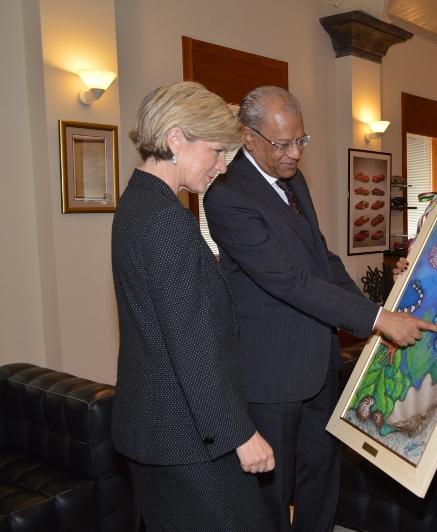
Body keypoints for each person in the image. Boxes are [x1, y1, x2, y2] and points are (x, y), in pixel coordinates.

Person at [203, 85, 437, 532]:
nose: (295, 153)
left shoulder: (294, 180)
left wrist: (374, 310)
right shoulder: (226, 196)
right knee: (271, 495)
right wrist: (379, 320)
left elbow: (321, 259)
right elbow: (288, 281)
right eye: (283, 144)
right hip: (271, 373)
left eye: (301, 140)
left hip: (318, 362)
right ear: (249, 137)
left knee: (322, 479)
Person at [111, 81, 273, 531]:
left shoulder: (137, 203)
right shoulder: (166, 221)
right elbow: (190, 346)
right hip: (185, 438)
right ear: (176, 139)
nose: (222, 168)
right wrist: (241, 434)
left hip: (157, 427)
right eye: (218, 151)